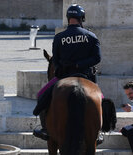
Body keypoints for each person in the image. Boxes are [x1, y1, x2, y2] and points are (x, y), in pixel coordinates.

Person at [33, 4, 101, 141]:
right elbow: (97, 58)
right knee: (100, 99)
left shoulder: (59, 37)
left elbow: (55, 61)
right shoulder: (91, 36)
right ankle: (98, 132)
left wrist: (63, 67)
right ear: (82, 18)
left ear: (68, 18)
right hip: (86, 75)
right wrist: (79, 65)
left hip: (64, 76)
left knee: (41, 95)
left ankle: (45, 128)